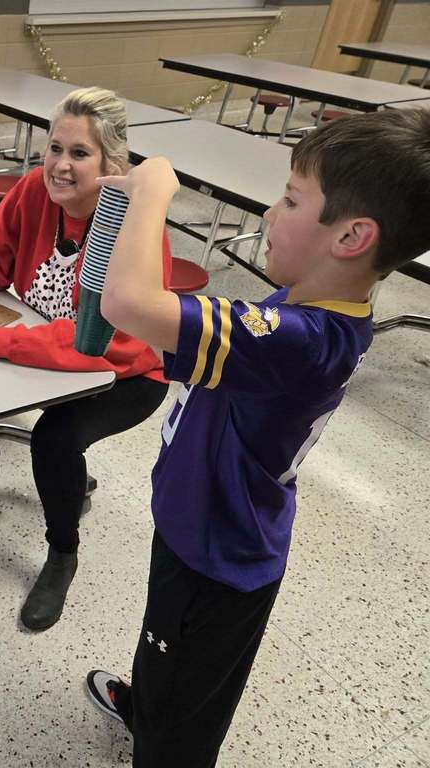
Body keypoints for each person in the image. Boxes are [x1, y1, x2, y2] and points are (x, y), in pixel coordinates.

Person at [84, 109, 430, 766]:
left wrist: (156, 194)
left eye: (293, 199)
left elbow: (127, 302)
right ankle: (149, 703)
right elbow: (184, 349)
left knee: (183, 717)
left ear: (352, 235)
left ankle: (160, 738)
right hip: (199, 523)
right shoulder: (302, 305)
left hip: (215, 554)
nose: (271, 213)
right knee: (168, 650)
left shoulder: (301, 342)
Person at [0, 87, 172, 632]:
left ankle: (62, 551)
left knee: (55, 437)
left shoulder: (130, 228)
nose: (60, 166)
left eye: (79, 154)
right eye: (54, 148)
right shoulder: (31, 193)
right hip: (48, 343)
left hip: (125, 371)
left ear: (113, 163)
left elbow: (108, 343)